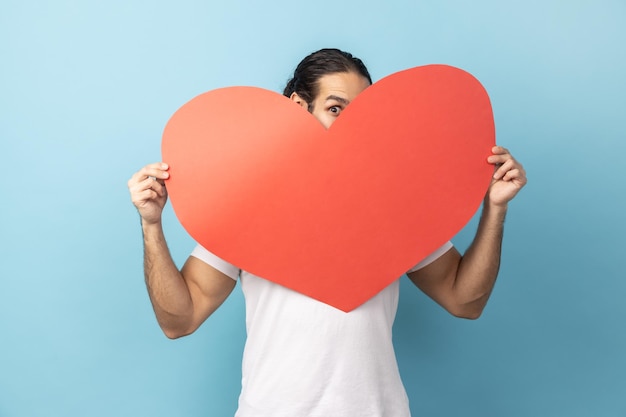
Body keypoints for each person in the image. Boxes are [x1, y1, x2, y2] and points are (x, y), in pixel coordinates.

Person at [128, 48, 527, 417]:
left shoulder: (398, 207)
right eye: (336, 109)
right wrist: (151, 225)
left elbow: (464, 301)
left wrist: (495, 208)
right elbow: (179, 320)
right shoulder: (248, 206)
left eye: (363, 115)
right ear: (299, 108)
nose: (351, 126)